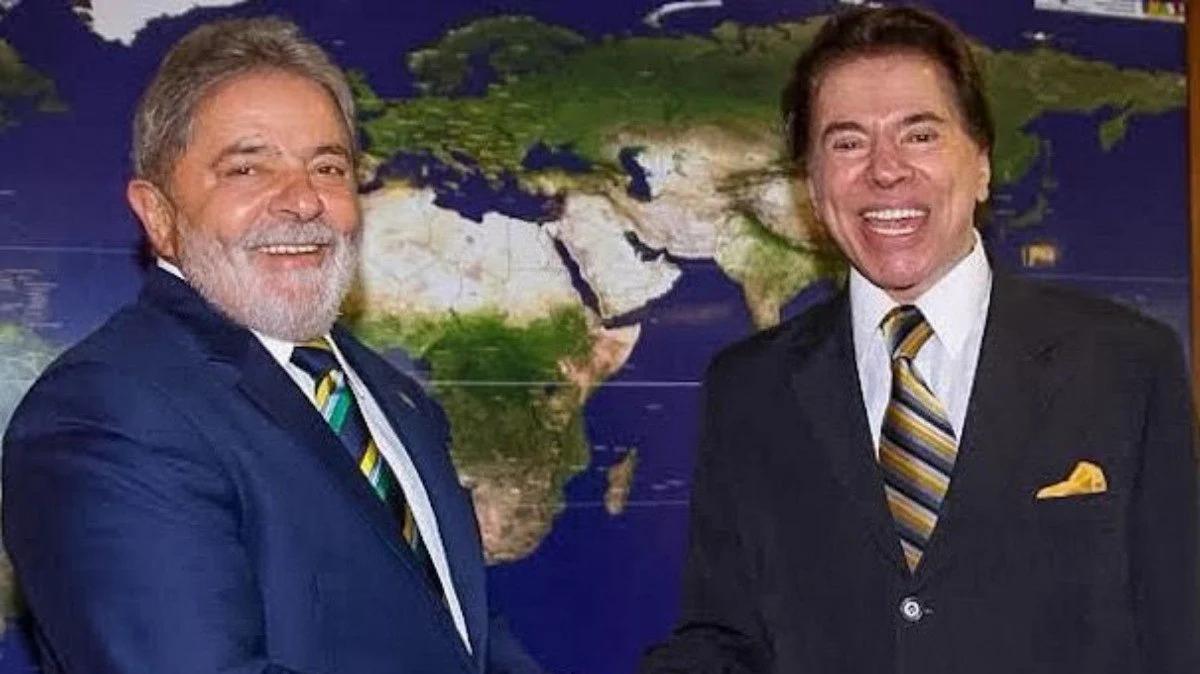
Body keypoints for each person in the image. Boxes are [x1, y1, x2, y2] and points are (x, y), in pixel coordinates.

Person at [640, 5, 1199, 673]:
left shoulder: (1125, 364)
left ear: (982, 163)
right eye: (847, 143)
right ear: (812, 186)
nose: (886, 170)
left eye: (921, 135)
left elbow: (1181, 630)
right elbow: (725, 640)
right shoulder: (749, 388)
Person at [2, 17, 544, 674]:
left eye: (328, 166)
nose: (304, 201)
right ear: (158, 215)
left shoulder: (393, 398)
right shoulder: (104, 413)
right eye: (248, 168)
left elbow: (463, 637)